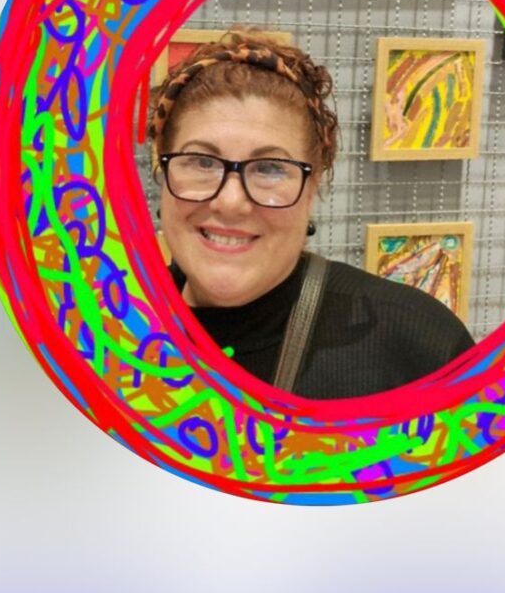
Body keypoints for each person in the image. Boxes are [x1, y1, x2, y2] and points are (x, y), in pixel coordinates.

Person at [149, 28, 475, 400]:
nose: (231, 201)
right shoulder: (112, 337)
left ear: (312, 186)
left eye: (270, 168)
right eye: (202, 161)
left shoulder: (420, 348)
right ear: (162, 169)